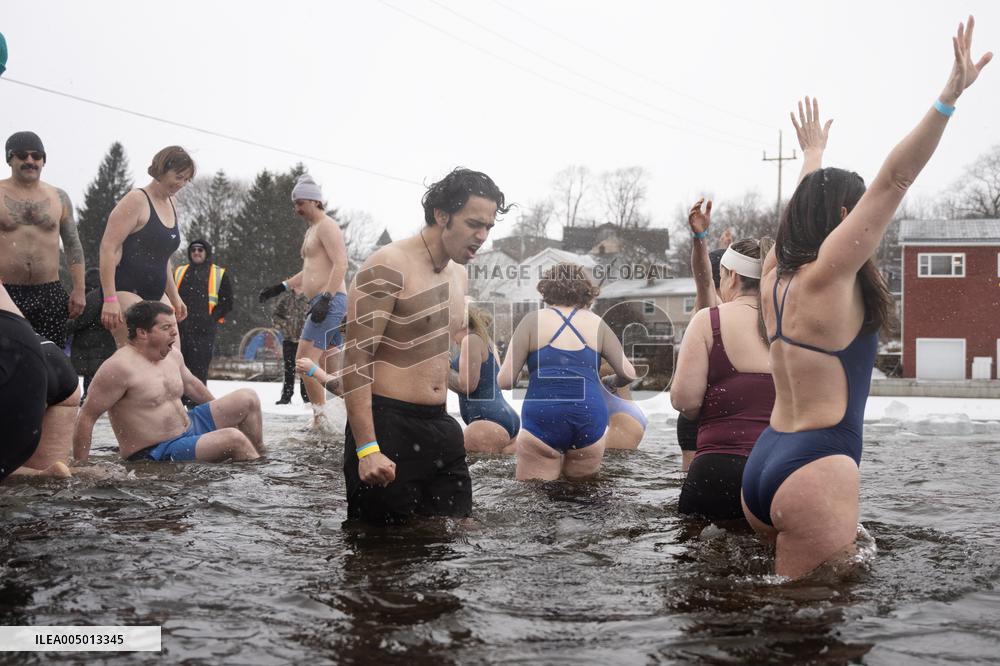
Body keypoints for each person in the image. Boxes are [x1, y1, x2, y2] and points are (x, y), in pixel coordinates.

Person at [742, 18, 991, 579]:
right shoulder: (829, 276)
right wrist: (948, 99)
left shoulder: (775, 275)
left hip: (765, 462)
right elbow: (896, 178)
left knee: (769, 616)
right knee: (813, 635)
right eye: (853, 212)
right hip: (815, 466)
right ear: (840, 220)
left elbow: (802, 211)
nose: (863, 222)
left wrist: (813, 156)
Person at [335, 167, 509, 524]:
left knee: (450, 546)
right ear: (441, 214)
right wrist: (367, 448)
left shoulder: (458, 273)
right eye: (474, 223)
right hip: (388, 426)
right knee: (383, 557)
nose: (482, 236)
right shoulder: (388, 265)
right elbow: (356, 359)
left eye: (489, 227)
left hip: (441, 426)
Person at [672, 202, 775, 521]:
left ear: (730, 276)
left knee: (700, 561)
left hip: (718, 468)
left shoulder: (710, 320)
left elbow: (685, 401)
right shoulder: (794, 325)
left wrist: (700, 238)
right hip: (780, 470)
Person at [73, 301, 265, 463]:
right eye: (166, 328)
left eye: (174, 325)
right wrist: (82, 466)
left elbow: (192, 386)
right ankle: (255, 477)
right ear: (142, 333)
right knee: (234, 439)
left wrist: (219, 422)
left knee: (248, 398)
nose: (175, 333)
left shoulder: (172, 355)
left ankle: (259, 456)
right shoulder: (119, 368)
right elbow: (87, 416)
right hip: (158, 450)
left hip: (189, 426)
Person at [498, 263, 636, 481]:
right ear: (585, 290)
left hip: (544, 415)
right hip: (589, 415)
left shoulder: (532, 320)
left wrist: (525, 371)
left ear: (546, 289)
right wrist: (609, 380)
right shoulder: (596, 322)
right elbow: (628, 373)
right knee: (583, 497)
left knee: (534, 498)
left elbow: (505, 381)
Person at [258, 174, 347, 429]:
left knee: (304, 361)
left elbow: (341, 263)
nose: (296, 209)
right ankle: (350, 412)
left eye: (299, 203)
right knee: (331, 366)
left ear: (314, 201)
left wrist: (326, 298)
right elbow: (309, 271)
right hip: (323, 301)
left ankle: (321, 418)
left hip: (329, 300)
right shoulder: (312, 230)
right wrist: (281, 286)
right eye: (294, 204)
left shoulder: (327, 226)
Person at [99, 146, 193, 346]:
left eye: (186, 179)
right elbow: (108, 248)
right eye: (178, 177)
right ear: (161, 170)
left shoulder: (172, 203)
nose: (182, 184)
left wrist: (175, 296)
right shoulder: (136, 200)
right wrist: (110, 299)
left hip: (157, 292)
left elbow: (162, 257)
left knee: (173, 356)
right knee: (140, 356)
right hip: (125, 289)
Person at [0, 131, 86, 347]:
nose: (30, 161)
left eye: (36, 156)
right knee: (7, 359)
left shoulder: (58, 197)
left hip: (49, 292)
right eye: (22, 155)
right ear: (10, 159)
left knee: (50, 358)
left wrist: (79, 289)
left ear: (44, 160)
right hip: (5, 290)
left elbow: (73, 244)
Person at [448, 305, 519, 454]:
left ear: (462, 322)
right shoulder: (488, 343)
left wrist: (443, 369)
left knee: (468, 473)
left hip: (487, 421)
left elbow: (467, 385)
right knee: (495, 474)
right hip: (504, 418)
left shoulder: (470, 340)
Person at [173, 238, 234, 399]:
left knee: (199, 368)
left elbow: (227, 302)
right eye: (193, 250)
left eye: (200, 250)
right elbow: (169, 296)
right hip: (180, 330)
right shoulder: (179, 272)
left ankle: (197, 403)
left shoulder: (218, 273)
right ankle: (179, 402)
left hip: (204, 331)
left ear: (206, 252)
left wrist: (211, 319)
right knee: (179, 367)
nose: (196, 252)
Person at [68, 267, 116, 400]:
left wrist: (66, 326)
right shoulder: (104, 295)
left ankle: (90, 401)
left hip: (91, 346)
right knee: (97, 377)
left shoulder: (91, 297)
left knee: (92, 378)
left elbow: (79, 321)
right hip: (101, 344)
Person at [272, 289, 311, 404]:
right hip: (289, 339)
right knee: (289, 368)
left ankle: (307, 396)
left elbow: (317, 314)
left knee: (305, 368)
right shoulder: (286, 298)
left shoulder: (310, 297)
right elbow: (276, 315)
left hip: (305, 340)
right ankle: (286, 396)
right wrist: (285, 325)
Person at [598, 362, 647, 450]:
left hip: (625, 422)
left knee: (608, 461)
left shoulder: (600, 364)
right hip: (629, 416)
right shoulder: (612, 359)